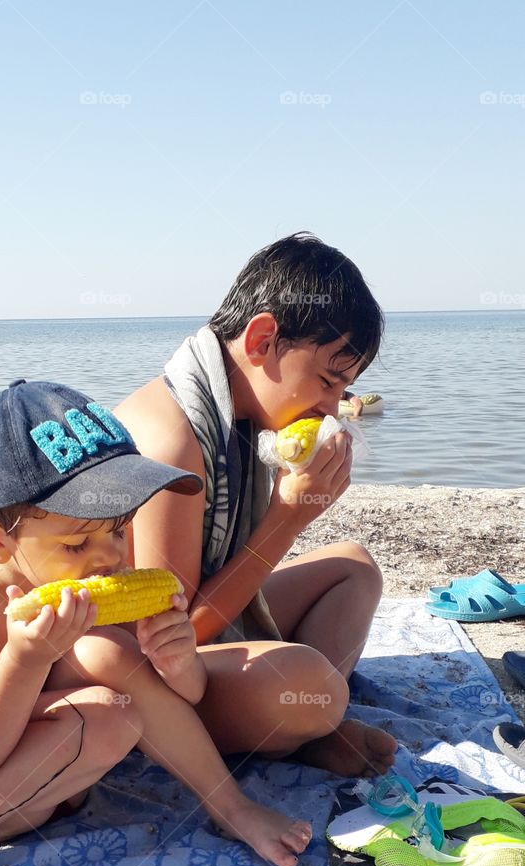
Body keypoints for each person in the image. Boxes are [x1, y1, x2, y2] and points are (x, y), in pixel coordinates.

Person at [0, 380, 318, 866]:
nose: (110, 558)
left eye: (120, 531)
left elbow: (180, 698)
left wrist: (178, 661)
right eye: (77, 544)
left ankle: (231, 807)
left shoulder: (90, 569)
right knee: (109, 714)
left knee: (106, 656)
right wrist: (22, 663)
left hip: (60, 769)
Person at [115, 232, 397, 777]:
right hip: (146, 676)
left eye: (343, 391)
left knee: (354, 568)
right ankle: (301, 727)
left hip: (190, 642)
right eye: (327, 381)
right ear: (263, 339)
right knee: (310, 687)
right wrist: (285, 522)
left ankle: (305, 729)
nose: (331, 407)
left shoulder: (243, 418)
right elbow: (172, 638)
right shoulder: (172, 440)